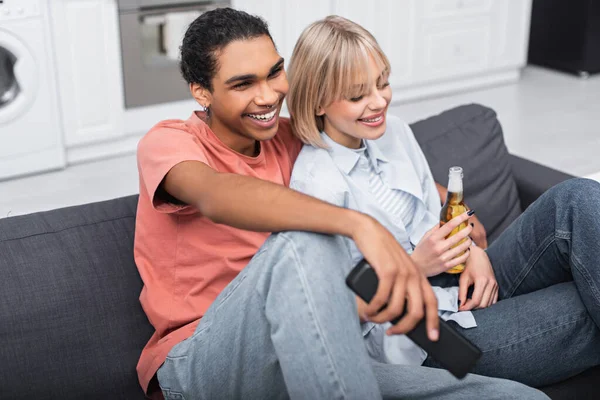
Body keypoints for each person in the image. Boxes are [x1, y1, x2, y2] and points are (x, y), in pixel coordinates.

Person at [134, 7, 549, 399]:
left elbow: (391, 169)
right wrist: (359, 225)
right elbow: (215, 194)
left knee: (515, 395)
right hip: (205, 360)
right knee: (303, 240)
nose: (268, 96)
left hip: (306, 347)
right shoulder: (170, 142)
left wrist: (464, 225)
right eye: (243, 84)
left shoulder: (288, 135)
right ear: (201, 91)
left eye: (275, 72)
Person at [286, 14, 600, 390]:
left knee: (577, 197)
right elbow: (330, 315)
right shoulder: (314, 187)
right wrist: (415, 266)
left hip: (463, 282)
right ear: (318, 101)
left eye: (383, 82)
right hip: (423, 339)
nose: (378, 101)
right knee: (581, 303)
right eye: (358, 95)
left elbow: (438, 218)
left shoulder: (396, 132)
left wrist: (474, 252)